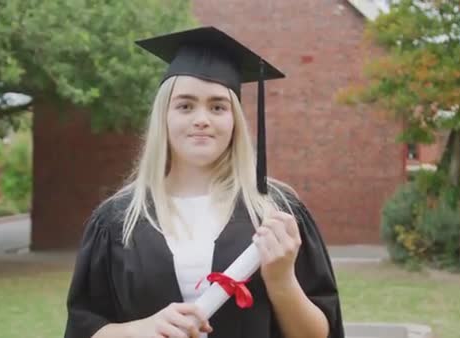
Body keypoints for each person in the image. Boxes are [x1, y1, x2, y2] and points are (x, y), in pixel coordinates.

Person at [64, 26, 344, 338]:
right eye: (185, 105)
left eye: (217, 106)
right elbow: (83, 329)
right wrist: (142, 329)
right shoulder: (116, 220)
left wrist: (281, 279)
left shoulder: (276, 212)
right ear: (164, 117)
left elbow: (320, 334)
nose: (202, 118)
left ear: (234, 119)